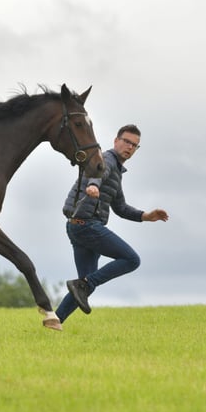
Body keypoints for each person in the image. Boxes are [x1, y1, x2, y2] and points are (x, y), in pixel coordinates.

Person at [55, 124, 168, 322]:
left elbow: (121, 207)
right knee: (132, 260)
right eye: (127, 142)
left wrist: (146, 216)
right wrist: (92, 185)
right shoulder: (106, 159)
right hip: (87, 225)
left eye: (135, 145)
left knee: (84, 286)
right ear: (116, 141)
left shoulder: (117, 170)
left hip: (77, 226)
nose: (130, 147)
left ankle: (54, 321)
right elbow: (98, 173)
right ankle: (82, 286)